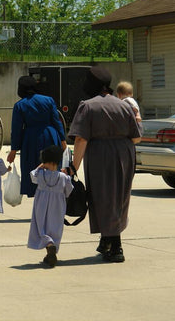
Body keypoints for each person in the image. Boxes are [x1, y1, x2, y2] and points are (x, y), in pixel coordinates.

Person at [68, 66, 141, 263]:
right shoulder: (124, 105)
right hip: (125, 154)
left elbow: (81, 140)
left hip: (100, 154)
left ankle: (116, 245)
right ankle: (106, 240)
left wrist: (74, 166)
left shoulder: (88, 106)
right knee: (119, 198)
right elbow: (136, 137)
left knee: (101, 197)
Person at [7, 76, 67, 198]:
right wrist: (63, 140)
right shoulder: (48, 100)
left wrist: (13, 150)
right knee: (53, 167)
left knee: (33, 169)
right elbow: (57, 121)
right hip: (51, 136)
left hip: (31, 140)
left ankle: (39, 200)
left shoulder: (19, 105)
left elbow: (17, 129)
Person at [27, 145, 74, 267]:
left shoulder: (41, 175)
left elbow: (32, 176)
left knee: (41, 226)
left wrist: (39, 167)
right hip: (58, 207)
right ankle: (52, 249)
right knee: (55, 227)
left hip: (41, 206)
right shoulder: (63, 177)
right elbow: (69, 191)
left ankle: (48, 244)